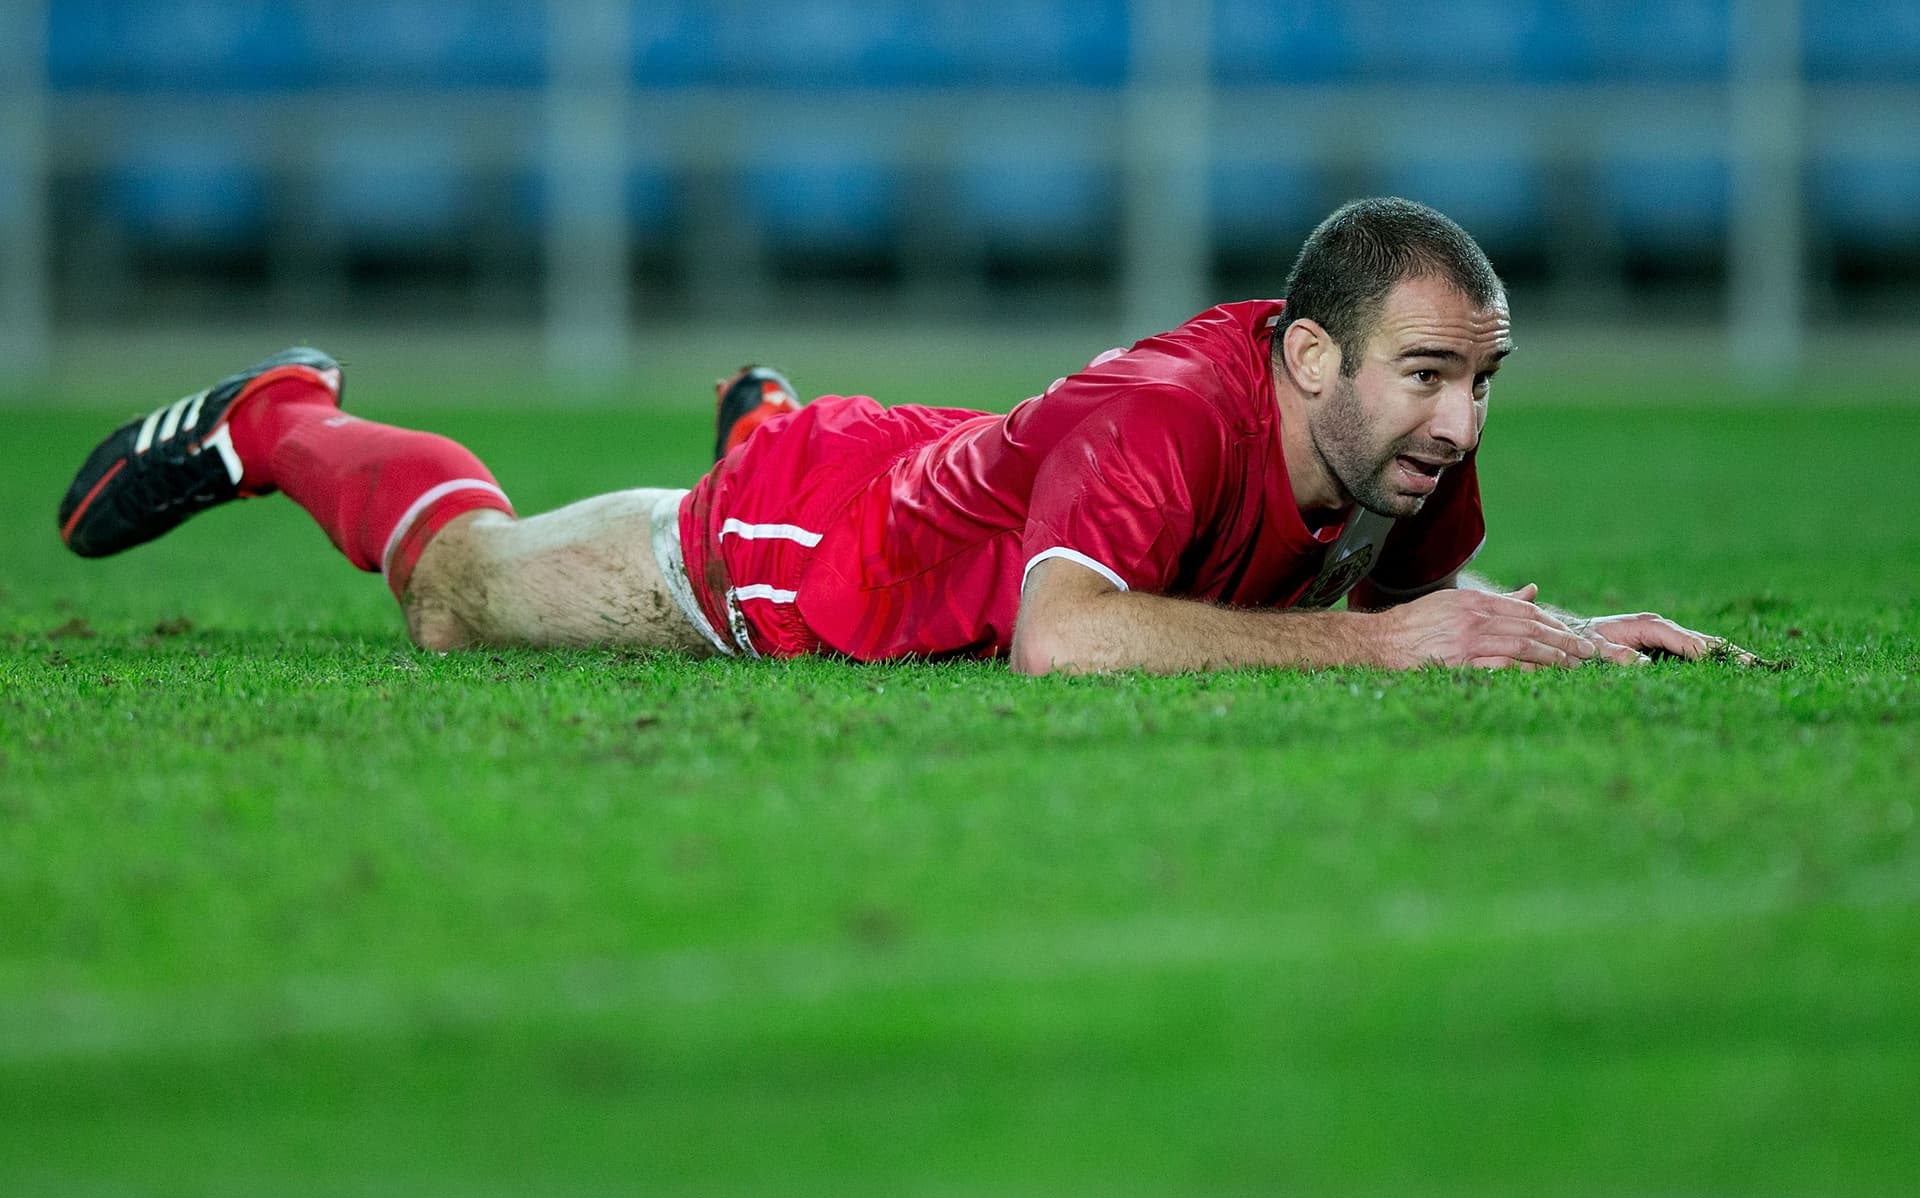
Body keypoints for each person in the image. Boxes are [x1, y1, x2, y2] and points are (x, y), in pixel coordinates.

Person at [56, 197, 1741, 674]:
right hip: (807, 550)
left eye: (1484, 378)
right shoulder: (1168, 413)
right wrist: (1381, 657)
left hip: (950, 468)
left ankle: (779, 421)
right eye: (1433, 374)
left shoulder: (1402, 449)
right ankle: (282, 422)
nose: (1463, 419)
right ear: (1308, 355)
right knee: (460, 591)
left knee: (963, 475)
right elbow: (1065, 639)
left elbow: (1419, 604)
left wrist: (1560, 636)